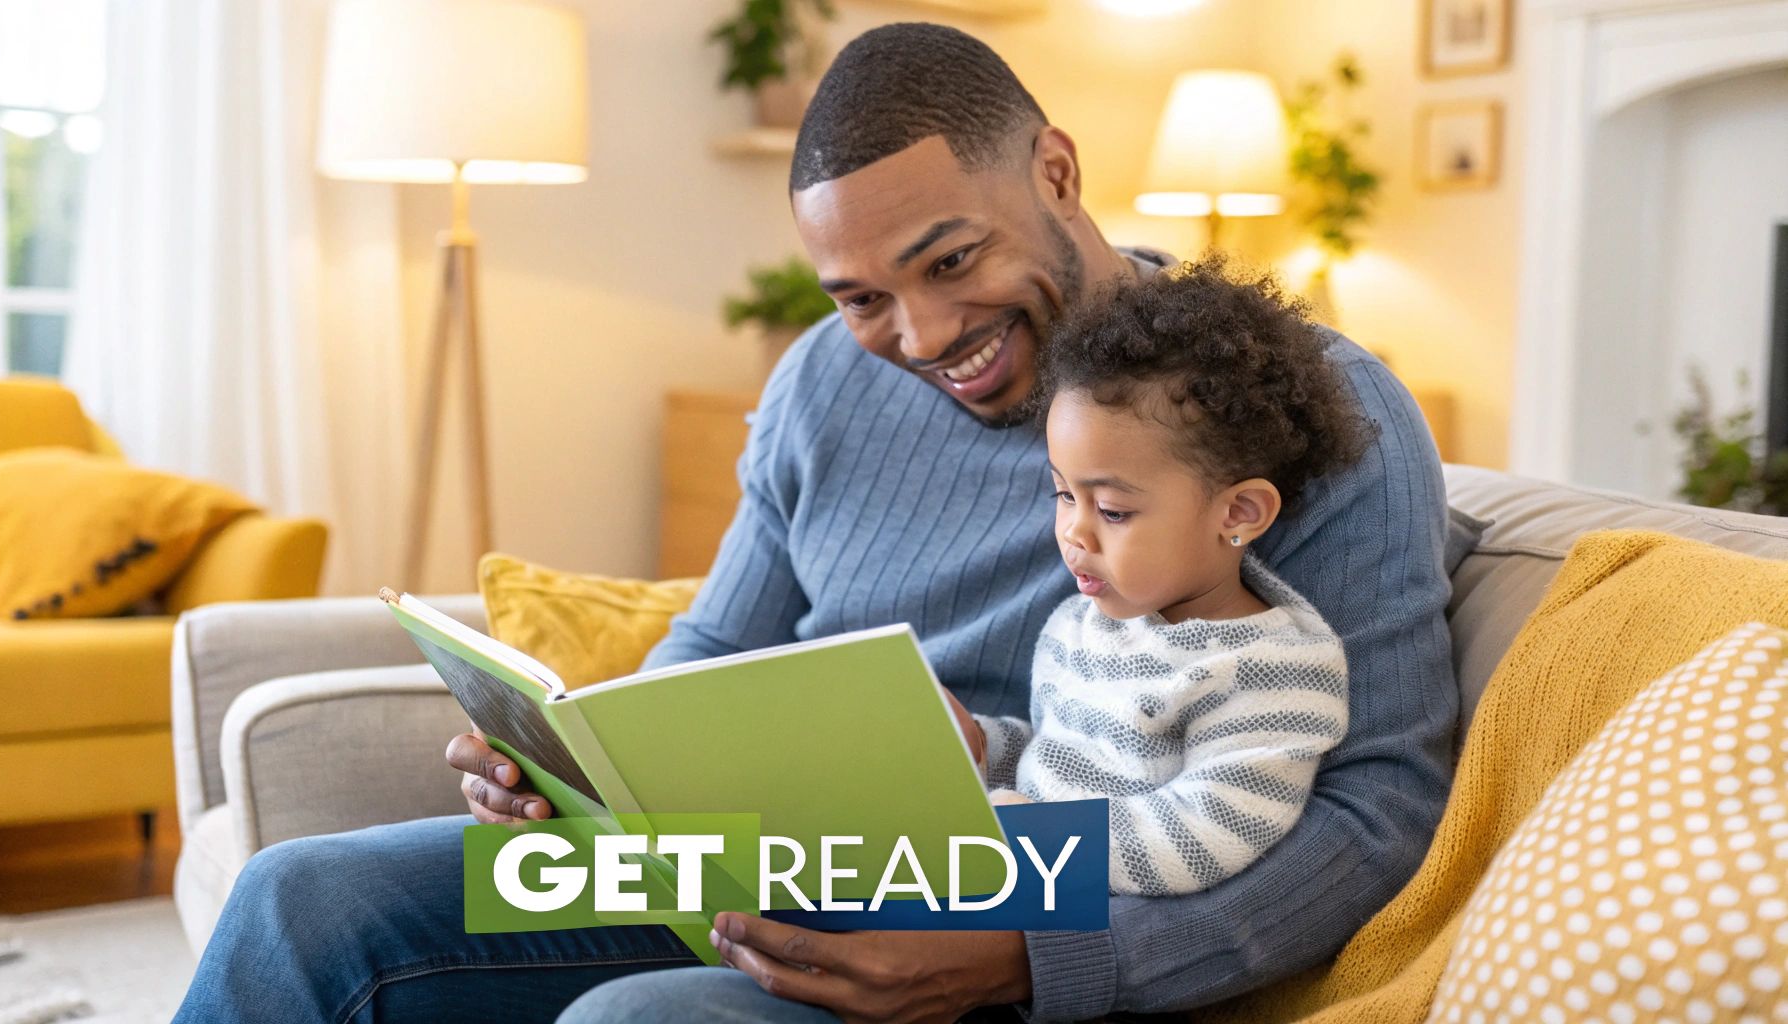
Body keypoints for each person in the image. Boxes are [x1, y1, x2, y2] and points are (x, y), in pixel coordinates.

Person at [174, 22, 1457, 1024]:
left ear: (1055, 172)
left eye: (950, 262)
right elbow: (714, 648)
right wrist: (582, 783)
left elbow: (1379, 811)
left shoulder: (1303, 404)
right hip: (766, 863)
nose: (920, 336)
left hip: (1032, 905)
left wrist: (1029, 957)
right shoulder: (819, 381)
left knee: (643, 1016)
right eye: (860, 296)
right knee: (303, 897)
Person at [964, 260, 1368, 904]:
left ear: (1238, 513)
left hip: (1066, 921)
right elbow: (1057, 765)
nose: (1075, 533)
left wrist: (1024, 835)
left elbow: (1199, 838)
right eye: (1064, 495)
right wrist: (984, 747)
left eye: (1114, 511)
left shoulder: (1276, 669)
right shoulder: (1081, 624)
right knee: (765, 884)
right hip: (1011, 876)